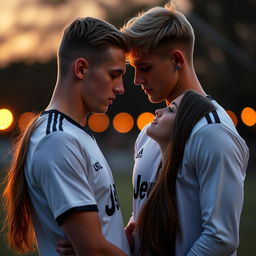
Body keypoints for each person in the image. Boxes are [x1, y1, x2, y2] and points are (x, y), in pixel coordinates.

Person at [122, 1, 249, 256]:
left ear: (177, 60)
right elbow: (138, 224)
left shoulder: (212, 131)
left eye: (145, 68)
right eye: (134, 70)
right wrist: (96, 244)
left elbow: (220, 239)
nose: (137, 80)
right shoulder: (148, 134)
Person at [2, 17, 131, 256]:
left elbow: (99, 237)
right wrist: (91, 244)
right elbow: (94, 250)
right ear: (81, 69)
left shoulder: (74, 133)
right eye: (114, 75)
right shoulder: (57, 140)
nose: (120, 87)